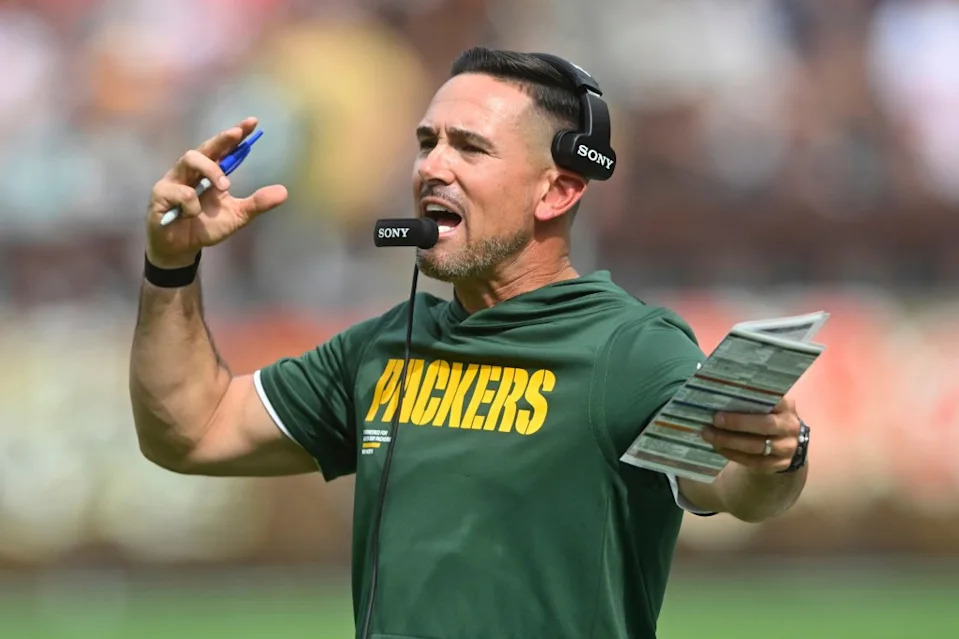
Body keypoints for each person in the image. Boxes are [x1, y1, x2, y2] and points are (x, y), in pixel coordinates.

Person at [130, 47, 810, 639]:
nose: (431, 166)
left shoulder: (629, 348)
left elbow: (731, 486)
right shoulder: (380, 347)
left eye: (470, 147)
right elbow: (191, 429)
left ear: (558, 190)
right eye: (428, 142)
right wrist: (170, 263)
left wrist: (772, 454)